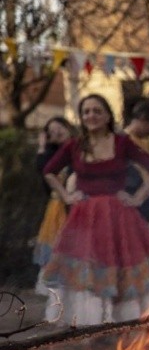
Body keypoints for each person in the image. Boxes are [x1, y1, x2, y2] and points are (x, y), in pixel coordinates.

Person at [41, 94, 149, 325]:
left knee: (119, 267)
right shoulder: (75, 145)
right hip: (85, 218)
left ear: (108, 115)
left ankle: (120, 322)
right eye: (86, 111)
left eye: (97, 111)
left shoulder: (121, 142)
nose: (92, 115)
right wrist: (66, 195)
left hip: (118, 216)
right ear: (81, 117)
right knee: (89, 268)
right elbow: (49, 171)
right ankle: (92, 323)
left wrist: (138, 197)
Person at [33, 117, 77, 294]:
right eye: (51, 131)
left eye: (59, 127)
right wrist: (42, 147)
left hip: (77, 204)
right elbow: (43, 172)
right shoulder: (52, 155)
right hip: (56, 207)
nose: (56, 132)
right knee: (55, 246)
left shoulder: (80, 148)